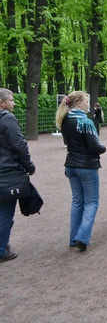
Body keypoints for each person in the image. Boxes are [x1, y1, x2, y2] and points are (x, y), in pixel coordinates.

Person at [56, 91, 106, 252]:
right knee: (91, 202)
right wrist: (103, 147)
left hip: (71, 165)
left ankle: (73, 238)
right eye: (86, 101)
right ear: (78, 102)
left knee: (77, 201)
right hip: (87, 166)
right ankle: (83, 237)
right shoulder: (85, 122)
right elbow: (95, 146)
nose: (88, 104)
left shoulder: (64, 120)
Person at [0, 88, 35, 262]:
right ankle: (1, 249)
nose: (14, 103)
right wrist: (29, 166)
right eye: (11, 100)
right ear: (2, 103)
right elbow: (19, 145)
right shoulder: (7, 119)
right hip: (6, 172)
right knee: (5, 213)